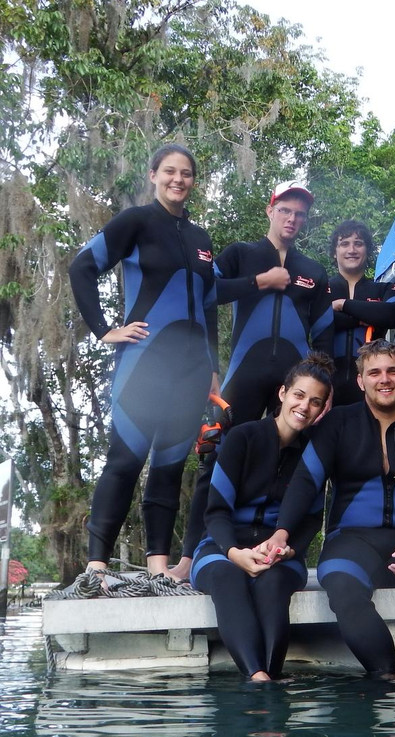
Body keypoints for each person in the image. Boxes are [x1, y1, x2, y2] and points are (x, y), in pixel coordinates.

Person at [260, 339, 395, 673]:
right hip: (351, 542)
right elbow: (305, 483)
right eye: (374, 372)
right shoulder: (336, 425)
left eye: (392, 370)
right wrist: (282, 533)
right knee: (342, 586)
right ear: (361, 381)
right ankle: (385, 678)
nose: (384, 379)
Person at [68, 143, 218, 591]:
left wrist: (212, 368)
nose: (178, 179)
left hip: (192, 369)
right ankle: (97, 567)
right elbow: (82, 267)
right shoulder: (135, 221)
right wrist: (103, 330)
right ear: (153, 174)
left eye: (186, 173)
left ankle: (158, 567)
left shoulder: (202, 239)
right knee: (125, 460)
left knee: (171, 466)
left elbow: (208, 304)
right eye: (169, 171)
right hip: (145, 362)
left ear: (193, 181)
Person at [175, 181, 333, 580]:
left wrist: (325, 389)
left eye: (300, 214)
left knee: (303, 467)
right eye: (285, 211)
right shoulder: (242, 254)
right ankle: (190, 559)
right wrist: (261, 282)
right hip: (244, 376)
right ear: (270, 210)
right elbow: (204, 293)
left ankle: (286, 548)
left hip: (295, 387)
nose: (292, 219)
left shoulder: (312, 271)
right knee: (214, 463)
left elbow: (326, 335)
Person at [190, 353, 332, 681]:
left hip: (281, 555)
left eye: (315, 401)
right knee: (228, 579)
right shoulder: (243, 438)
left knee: (273, 586)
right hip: (221, 547)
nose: (304, 407)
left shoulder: (314, 453)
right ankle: (260, 678)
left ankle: (268, 678)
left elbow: (312, 518)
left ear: (322, 408)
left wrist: (291, 549)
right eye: (299, 395)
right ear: (282, 394)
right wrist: (234, 552)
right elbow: (216, 511)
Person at [327, 220, 395, 405]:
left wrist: (342, 304)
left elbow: (394, 314)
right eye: (344, 244)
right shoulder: (321, 288)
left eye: (358, 243)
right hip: (325, 384)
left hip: (373, 384)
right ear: (334, 252)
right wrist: (365, 317)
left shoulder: (384, 289)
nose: (351, 249)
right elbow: (312, 319)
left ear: (367, 250)